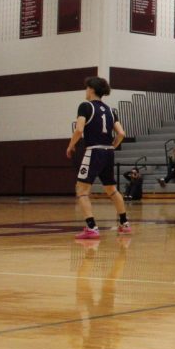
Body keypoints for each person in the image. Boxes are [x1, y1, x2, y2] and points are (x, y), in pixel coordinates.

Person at [66, 76, 130, 239]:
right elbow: (121, 133)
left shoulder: (85, 106)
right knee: (111, 189)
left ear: (92, 89)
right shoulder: (110, 110)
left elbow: (79, 130)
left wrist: (71, 145)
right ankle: (124, 223)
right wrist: (112, 146)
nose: (85, 91)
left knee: (81, 190)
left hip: (94, 151)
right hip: (108, 152)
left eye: (86, 88)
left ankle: (92, 227)